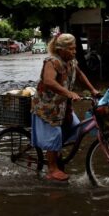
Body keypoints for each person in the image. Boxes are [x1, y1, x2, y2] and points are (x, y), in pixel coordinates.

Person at [31, 33, 99, 182]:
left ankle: (55, 154)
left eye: (75, 49)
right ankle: (52, 169)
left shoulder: (71, 61)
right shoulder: (52, 61)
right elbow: (49, 81)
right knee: (54, 135)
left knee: (75, 128)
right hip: (47, 106)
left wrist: (92, 90)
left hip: (62, 105)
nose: (74, 52)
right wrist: (69, 93)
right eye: (71, 49)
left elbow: (80, 75)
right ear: (61, 49)